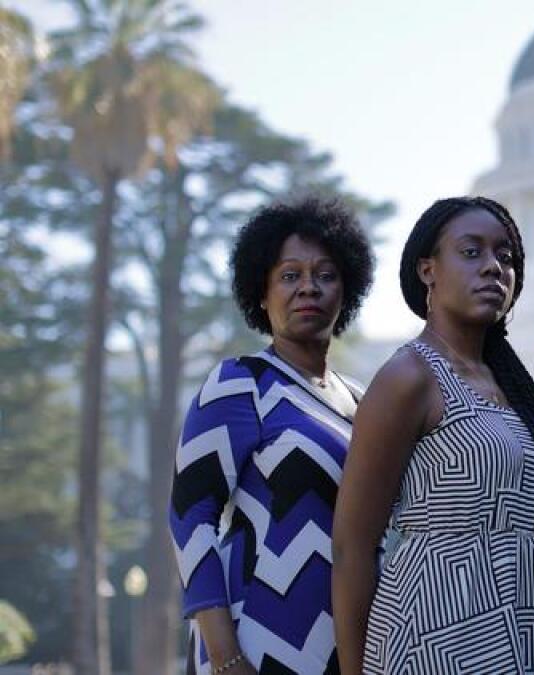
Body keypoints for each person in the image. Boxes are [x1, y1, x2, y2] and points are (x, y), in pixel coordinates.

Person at [332, 196, 534, 674]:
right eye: (471, 251)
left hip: (517, 641)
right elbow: (352, 545)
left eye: (506, 256)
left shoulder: (511, 387)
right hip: (429, 638)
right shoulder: (409, 376)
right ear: (427, 270)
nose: (494, 268)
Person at [169, 195, 375, 674]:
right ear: (261, 292)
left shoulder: (365, 402)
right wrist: (225, 656)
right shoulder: (240, 383)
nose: (309, 288)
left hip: (354, 644)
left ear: (347, 291)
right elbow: (189, 517)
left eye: (326, 275)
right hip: (255, 641)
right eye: (290, 276)